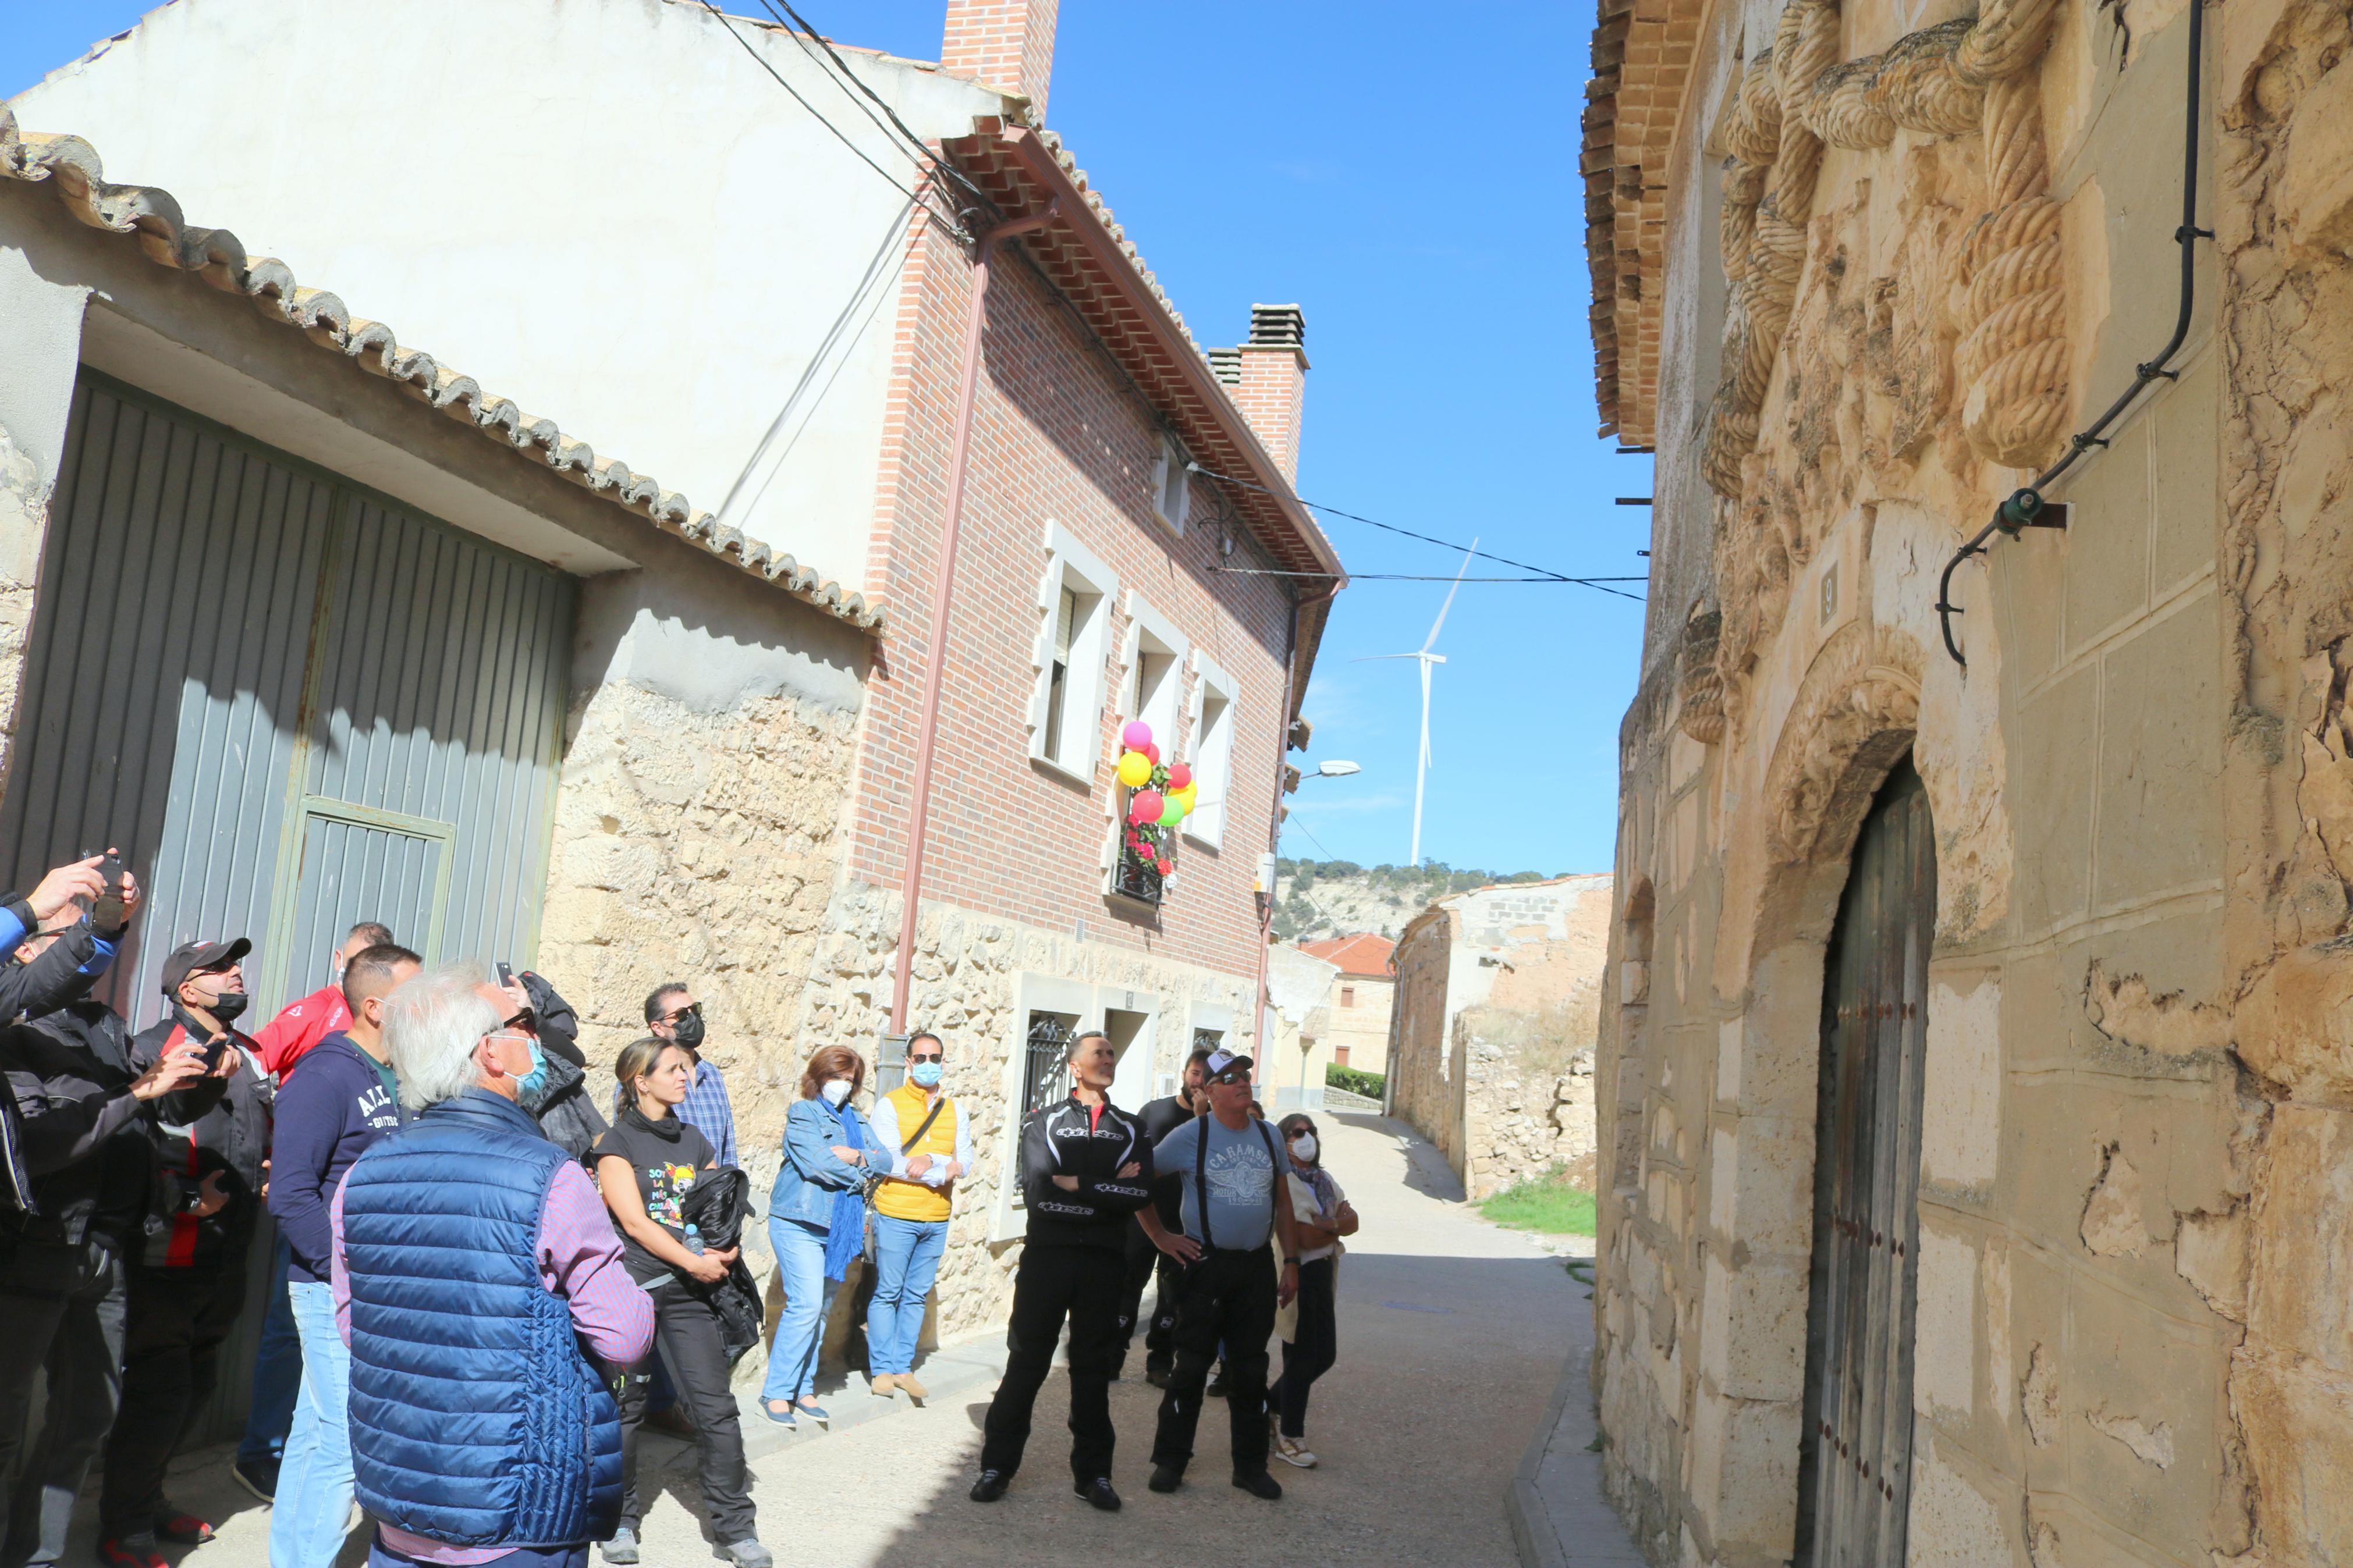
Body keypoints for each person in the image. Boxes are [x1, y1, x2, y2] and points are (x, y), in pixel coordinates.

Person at [335, 965, 655, 1568]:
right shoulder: (550, 1176)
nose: (533, 1040)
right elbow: (624, 1332)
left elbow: (357, 1326)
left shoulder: (361, 1175)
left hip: (401, 1500)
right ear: (490, 1053)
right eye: (520, 1026)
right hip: (518, 1511)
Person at [0, 860, 227, 1568]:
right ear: (28, 950)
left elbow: (144, 1111)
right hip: (37, 1248)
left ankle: (34, 1554)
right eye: (76, 933)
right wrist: (141, 1093)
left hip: (107, 1247)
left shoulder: (102, 1022)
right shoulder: (13, 1030)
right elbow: (42, 1144)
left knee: (85, 1419)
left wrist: (190, 1087)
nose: (91, 951)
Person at [98, 940, 275, 1568]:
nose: (236, 975)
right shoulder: (150, 1048)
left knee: (197, 1386)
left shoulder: (247, 1055)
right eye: (220, 969)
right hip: (166, 1254)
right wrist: (180, 1199)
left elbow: (250, 1133)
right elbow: (130, 1140)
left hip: (229, 1254)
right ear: (186, 988)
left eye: (237, 966)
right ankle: (124, 1527)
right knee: (158, 1394)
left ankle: (149, 1499)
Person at [268, 941, 420, 1568]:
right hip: (332, 1288)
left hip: (371, 1286)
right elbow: (290, 1193)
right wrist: (344, 1275)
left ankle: (291, 1558)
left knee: (314, 1434)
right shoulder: (324, 1075)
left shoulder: (398, 1077)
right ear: (377, 1006)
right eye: (418, 994)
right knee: (345, 1444)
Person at [592, 1039, 768, 1568]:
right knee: (626, 1410)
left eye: (686, 1069)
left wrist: (726, 1243)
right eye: (673, 1069)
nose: (684, 1077)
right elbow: (635, 1222)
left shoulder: (694, 1139)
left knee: (716, 1409)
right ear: (640, 1080)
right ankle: (618, 1521)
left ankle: (735, 1528)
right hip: (636, 1290)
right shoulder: (615, 1142)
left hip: (693, 1294)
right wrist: (692, 1262)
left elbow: (716, 1203)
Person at [236, 922, 396, 1499]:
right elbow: (250, 1064)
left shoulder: (397, 1052)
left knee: (328, 1390)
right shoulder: (316, 1012)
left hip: (365, 1242)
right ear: (343, 964)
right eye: (352, 960)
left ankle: (297, 1463)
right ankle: (261, 1448)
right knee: (287, 1330)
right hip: (313, 1216)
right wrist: (271, 1149)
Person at [970, 1030, 1155, 1512]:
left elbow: (1140, 1195)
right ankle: (997, 1466)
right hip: (1048, 1259)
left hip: (1103, 1264)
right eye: (1099, 1053)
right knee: (1027, 1363)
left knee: (1093, 1371)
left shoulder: (1131, 1127)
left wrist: (1079, 1184)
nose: (1108, 1059)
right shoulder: (1044, 1120)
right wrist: (1106, 1191)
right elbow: (1039, 1194)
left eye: (1112, 1053)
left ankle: (1094, 1474)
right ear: (1074, 1066)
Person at [1137, 1046, 1302, 1501]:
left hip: (1254, 1267)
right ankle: (1170, 1461)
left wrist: (1290, 1261)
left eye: (1243, 1075)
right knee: (1189, 1366)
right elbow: (1139, 1183)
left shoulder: (1269, 1135)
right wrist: (1160, 1236)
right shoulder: (1192, 1135)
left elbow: (1284, 1203)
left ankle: (1249, 1467)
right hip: (1204, 1264)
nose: (1240, 1083)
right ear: (1207, 1091)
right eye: (1228, 1078)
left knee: (1249, 1370)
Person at [761, 1044, 878, 1431]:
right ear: (817, 1077)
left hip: (838, 1228)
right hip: (798, 1220)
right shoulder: (802, 1112)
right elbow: (815, 1162)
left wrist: (856, 1156)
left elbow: (886, 1159)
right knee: (807, 1304)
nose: (841, 1086)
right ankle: (776, 1391)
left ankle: (803, 1386)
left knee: (823, 1307)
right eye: (835, 1077)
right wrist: (859, 1167)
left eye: (849, 1080)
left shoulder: (857, 1120)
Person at [865, 1030, 970, 1400]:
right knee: (889, 1292)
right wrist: (942, 1171)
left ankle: (902, 1367)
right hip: (897, 1212)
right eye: (921, 1058)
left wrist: (932, 1161)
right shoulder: (890, 1105)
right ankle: (880, 1370)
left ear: (943, 1061)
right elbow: (889, 1161)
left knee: (916, 1295)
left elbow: (966, 1161)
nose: (929, 1064)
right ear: (909, 1062)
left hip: (937, 1216)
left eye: (935, 1058)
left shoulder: (956, 1109)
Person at [1268, 1112, 1357, 1469]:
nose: (1307, 1138)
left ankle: (1269, 1405)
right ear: (1284, 1141)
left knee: (1325, 1355)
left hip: (1323, 1272)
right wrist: (1336, 1227)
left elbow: (1354, 1221)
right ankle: (1290, 1436)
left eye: (1311, 1132)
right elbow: (1300, 1237)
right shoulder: (1285, 1183)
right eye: (1298, 1132)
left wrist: (1329, 1225)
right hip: (1297, 1274)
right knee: (1301, 1358)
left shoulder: (1323, 1179)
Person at [1124, 1044, 1212, 1385]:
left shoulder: (1211, 1124)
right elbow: (1132, 1165)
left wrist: (1202, 1117)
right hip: (1143, 1220)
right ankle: (1112, 1356)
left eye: (1206, 1078)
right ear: (1183, 1074)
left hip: (1185, 1227)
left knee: (1172, 1299)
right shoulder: (1154, 1113)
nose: (1198, 1083)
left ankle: (1159, 1363)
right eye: (1194, 1074)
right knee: (1128, 1289)